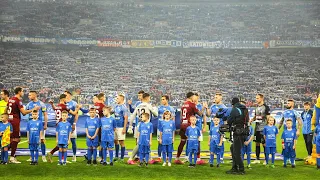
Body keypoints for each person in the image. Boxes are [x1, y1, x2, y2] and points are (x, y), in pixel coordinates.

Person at [7, 87, 40, 164]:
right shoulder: (18, 101)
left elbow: (6, 109)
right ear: (19, 92)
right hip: (15, 121)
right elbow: (24, 112)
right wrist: (33, 109)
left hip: (9, 120)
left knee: (10, 139)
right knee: (16, 139)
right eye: (22, 91)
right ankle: (12, 157)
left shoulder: (10, 99)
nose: (23, 93)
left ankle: (6, 154)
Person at [127, 93, 158, 165]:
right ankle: (130, 158)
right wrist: (152, 109)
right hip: (144, 126)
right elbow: (156, 115)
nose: (150, 99)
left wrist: (130, 126)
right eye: (149, 98)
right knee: (141, 143)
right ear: (147, 98)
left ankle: (149, 159)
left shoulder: (138, 105)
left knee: (144, 142)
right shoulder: (148, 105)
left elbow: (132, 116)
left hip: (139, 125)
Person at [46, 94, 78, 163]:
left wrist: (52, 104)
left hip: (58, 125)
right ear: (63, 99)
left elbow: (55, 109)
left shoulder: (58, 106)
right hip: (63, 125)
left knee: (62, 142)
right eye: (66, 99)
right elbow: (74, 113)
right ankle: (60, 157)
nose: (67, 100)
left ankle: (53, 154)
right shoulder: (64, 107)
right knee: (64, 142)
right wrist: (78, 108)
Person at [175, 92, 203, 164]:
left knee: (182, 141)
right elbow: (200, 114)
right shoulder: (192, 104)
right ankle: (197, 159)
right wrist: (204, 108)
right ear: (191, 97)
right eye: (194, 96)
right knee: (195, 141)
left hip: (183, 125)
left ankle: (177, 158)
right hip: (189, 126)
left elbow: (181, 116)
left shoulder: (183, 104)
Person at [226, 97, 249, 175]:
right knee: (233, 148)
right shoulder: (245, 109)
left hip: (238, 132)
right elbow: (247, 120)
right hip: (244, 132)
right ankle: (234, 167)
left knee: (236, 152)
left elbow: (229, 121)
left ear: (233, 104)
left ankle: (241, 169)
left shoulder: (235, 109)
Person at [26, 91, 48, 162]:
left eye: (30, 95)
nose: (28, 96)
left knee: (42, 140)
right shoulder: (28, 104)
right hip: (31, 124)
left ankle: (43, 155)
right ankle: (31, 157)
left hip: (40, 125)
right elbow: (24, 113)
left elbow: (45, 114)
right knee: (31, 140)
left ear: (34, 95)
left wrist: (45, 124)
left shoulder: (41, 104)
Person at [203, 92, 226, 163]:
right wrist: (206, 108)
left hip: (220, 128)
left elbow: (225, 119)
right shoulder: (213, 106)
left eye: (216, 97)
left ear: (220, 98)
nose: (215, 99)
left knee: (221, 142)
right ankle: (211, 158)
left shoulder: (224, 107)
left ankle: (221, 158)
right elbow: (208, 115)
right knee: (212, 142)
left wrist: (224, 128)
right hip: (213, 127)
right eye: (214, 97)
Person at [278, 99, 302, 165]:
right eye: (287, 103)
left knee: (292, 146)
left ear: (292, 104)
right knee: (285, 145)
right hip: (285, 131)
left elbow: (299, 121)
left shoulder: (295, 112)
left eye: (289, 103)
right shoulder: (284, 112)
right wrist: (278, 128)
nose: (287, 104)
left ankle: (292, 159)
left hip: (293, 131)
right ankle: (287, 159)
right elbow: (281, 121)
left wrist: (298, 130)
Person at [250, 94, 270, 165]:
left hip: (263, 128)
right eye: (256, 98)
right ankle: (257, 159)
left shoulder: (266, 107)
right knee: (257, 143)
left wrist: (268, 127)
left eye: (257, 98)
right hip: (257, 128)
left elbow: (268, 117)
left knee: (264, 144)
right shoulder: (257, 107)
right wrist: (251, 120)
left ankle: (266, 159)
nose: (256, 99)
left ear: (262, 98)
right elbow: (256, 116)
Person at [157, 95, 175, 163]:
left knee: (169, 142)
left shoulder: (171, 109)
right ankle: (159, 157)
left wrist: (172, 127)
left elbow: (173, 119)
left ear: (167, 100)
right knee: (160, 142)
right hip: (160, 127)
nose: (162, 100)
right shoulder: (159, 108)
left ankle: (168, 157)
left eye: (163, 99)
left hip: (168, 128)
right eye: (161, 99)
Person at [64, 91, 81, 162]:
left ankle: (74, 156)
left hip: (71, 124)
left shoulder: (74, 103)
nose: (64, 95)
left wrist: (74, 124)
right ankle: (65, 157)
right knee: (64, 141)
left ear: (69, 95)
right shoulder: (63, 103)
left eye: (66, 94)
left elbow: (76, 114)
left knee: (73, 140)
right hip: (64, 124)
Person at [113, 94, 128, 163]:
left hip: (121, 127)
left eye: (118, 98)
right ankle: (116, 156)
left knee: (121, 142)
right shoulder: (116, 106)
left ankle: (122, 158)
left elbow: (126, 118)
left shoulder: (124, 107)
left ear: (122, 99)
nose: (116, 99)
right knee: (115, 141)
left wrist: (124, 128)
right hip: (115, 127)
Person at [194, 93, 206, 165]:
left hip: (198, 128)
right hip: (192, 128)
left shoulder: (200, 106)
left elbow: (203, 116)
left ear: (198, 97)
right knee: (190, 142)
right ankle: (189, 157)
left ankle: (198, 158)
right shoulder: (191, 105)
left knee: (198, 143)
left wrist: (204, 126)